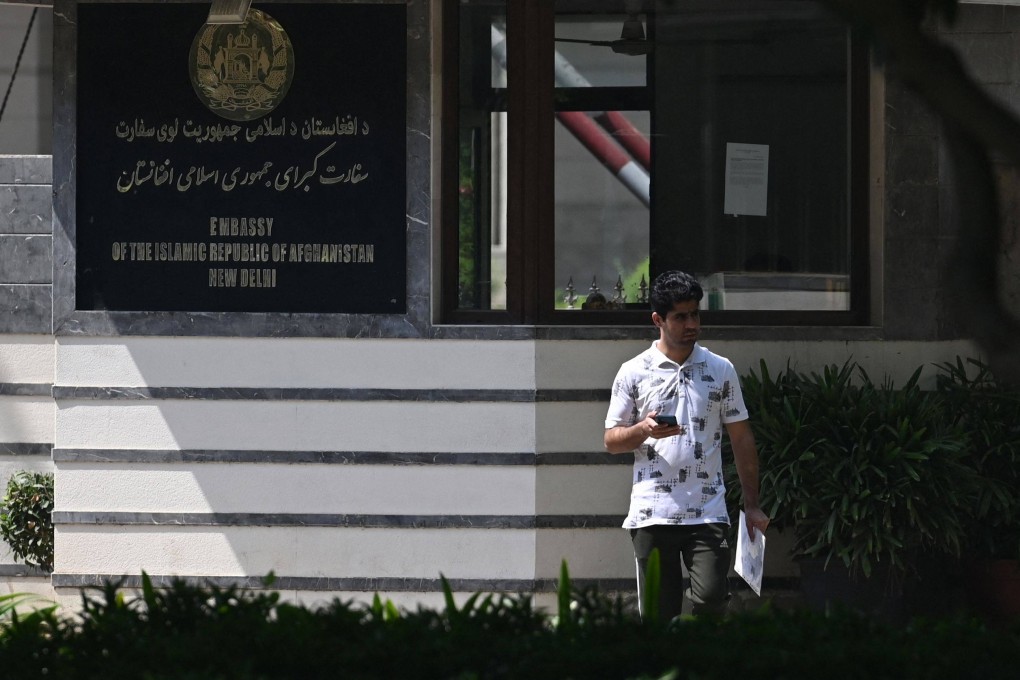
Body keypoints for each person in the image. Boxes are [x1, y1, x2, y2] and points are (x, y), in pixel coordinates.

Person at [604, 270, 769, 621]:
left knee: (711, 600)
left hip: (707, 510)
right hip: (652, 512)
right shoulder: (634, 372)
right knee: (658, 615)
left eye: (695, 314)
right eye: (680, 316)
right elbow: (612, 441)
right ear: (658, 320)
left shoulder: (720, 370)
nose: (691, 323)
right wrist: (643, 430)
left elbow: (741, 438)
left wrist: (752, 505)